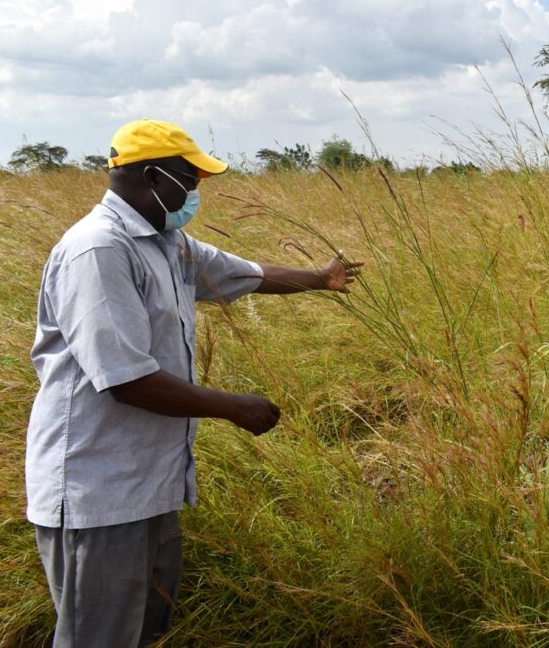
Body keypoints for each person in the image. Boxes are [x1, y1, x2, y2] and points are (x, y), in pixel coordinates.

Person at [25, 119, 363, 647]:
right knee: (98, 638)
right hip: (99, 489)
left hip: (147, 484)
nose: (196, 191)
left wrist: (320, 279)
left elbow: (242, 274)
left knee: (141, 630)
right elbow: (126, 380)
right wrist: (234, 407)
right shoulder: (99, 251)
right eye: (191, 178)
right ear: (154, 177)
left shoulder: (166, 242)